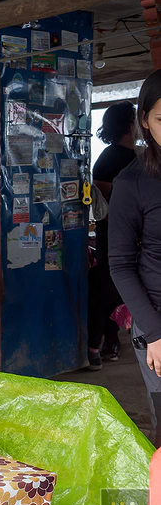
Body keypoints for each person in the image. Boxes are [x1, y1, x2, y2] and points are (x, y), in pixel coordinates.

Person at [110, 69, 161, 445]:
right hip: (157, 318)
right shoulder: (133, 182)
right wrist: (156, 335)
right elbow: (121, 265)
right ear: (145, 120)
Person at [88, 102, 137, 369]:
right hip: (118, 237)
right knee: (110, 289)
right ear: (131, 124)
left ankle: (111, 341)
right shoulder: (111, 158)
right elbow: (104, 204)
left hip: (130, 236)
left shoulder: (135, 156)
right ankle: (102, 343)